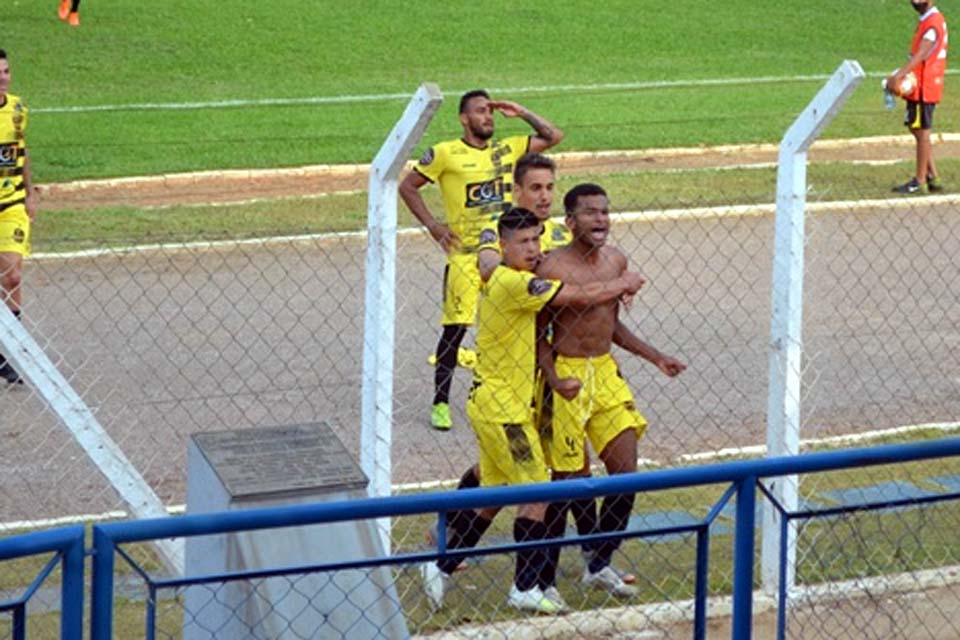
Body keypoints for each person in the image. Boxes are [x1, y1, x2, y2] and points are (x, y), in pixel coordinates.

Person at [419, 207, 645, 614]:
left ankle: (441, 566)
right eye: (523, 242)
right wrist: (624, 282)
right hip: (503, 410)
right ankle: (524, 587)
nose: (533, 248)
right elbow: (581, 296)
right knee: (539, 485)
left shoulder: (502, 272)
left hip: (497, 405)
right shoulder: (515, 283)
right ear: (505, 247)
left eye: (536, 239)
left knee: (493, 495)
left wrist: (489, 246)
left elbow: (492, 258)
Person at [536, 183, 686, 597]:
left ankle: (598, 563)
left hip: (605, 373)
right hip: (567, 376)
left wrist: (656, 357)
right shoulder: (551, 267)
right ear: (570, 222)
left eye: (604, 211)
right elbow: (538, 334)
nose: (600, 219)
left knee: (626, 475)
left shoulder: (617, 260)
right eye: (590, 212)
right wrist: (553, 379)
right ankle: (543, 581)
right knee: (565, 483)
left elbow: (610, 324)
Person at [399, 90, 564, 430]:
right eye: (479, 111)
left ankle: (533, 395)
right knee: (455, 329)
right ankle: (441, 402)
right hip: (466, 256)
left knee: (526, 321)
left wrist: (521, 112)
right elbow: (408, 186)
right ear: (463, 118)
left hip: (510, 254)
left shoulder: (507, 150)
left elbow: (553, 136)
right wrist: (433, 225)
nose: (487, 117)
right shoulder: (446, 153)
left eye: (490, 111)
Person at [0, 50, 37, 386]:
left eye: (6, 71)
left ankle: (12, 352)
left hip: (11, 203)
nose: (3, 77)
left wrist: (29, 193)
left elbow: (22, 152)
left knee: (12, 276)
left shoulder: (17, 109)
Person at [887, 0, 948, 194]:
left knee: (922, 132)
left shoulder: (932, 23)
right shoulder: (929, 20)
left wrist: (899, 76)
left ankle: (920, 181)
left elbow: (921, 54)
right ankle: (933, 176)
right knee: (916, 128)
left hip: (924, 86)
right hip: (922, 84)